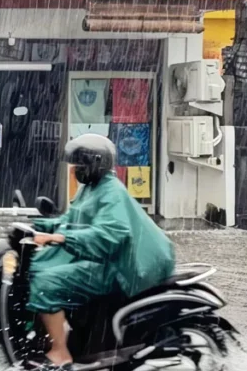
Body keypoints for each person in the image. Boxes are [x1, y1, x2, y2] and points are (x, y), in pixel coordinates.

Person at [28, 134, 175, 369]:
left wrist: (61, 237)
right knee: (35, 267)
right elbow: (72, 220)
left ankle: (60, 352)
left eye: (79, 165)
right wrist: (37, 227)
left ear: (95, 163)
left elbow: (110, 235)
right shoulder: (90, 189)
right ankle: (50, 336)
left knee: (46, 283)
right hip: (108, 261)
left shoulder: (111, 192)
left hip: (121, 268)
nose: (75, 170)